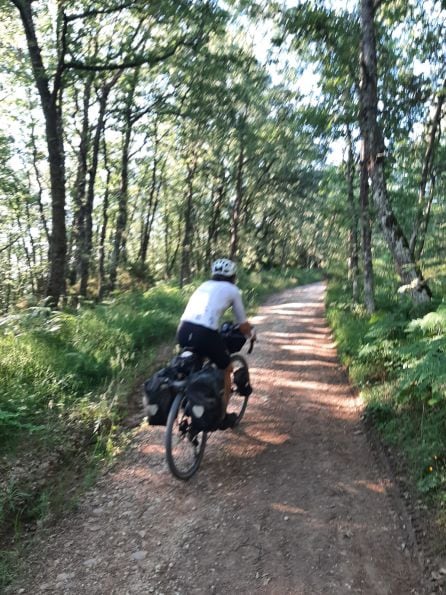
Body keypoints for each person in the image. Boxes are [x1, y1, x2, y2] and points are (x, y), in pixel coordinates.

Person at [176, 258, 255, 429]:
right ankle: (222, 416)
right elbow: (242, 324)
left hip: (182, 330)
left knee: (194, 364)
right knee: (226, 367)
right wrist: (251, 334)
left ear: (214, 274)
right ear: (233, 276)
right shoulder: (233, 290)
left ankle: (186, 401)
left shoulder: (204, 285)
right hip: (205, 333)